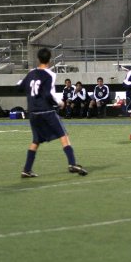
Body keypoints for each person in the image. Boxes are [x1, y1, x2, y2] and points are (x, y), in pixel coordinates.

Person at [17, 47, 87, 178]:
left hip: (33, 112)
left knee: (36, 141)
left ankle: (26, 169)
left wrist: (22, 83)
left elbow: (19, 87)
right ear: (49, 59)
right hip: (46, 111)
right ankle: (72, 163)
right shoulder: (50, 74)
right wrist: (60, 103)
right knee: (63, 135)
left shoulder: (31, 73)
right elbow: (49, 94)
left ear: (38, 59)